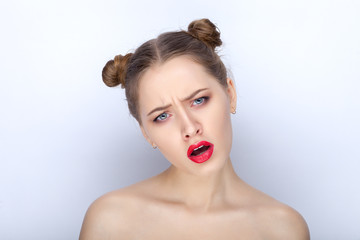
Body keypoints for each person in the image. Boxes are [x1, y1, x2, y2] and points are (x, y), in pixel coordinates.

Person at [79, 18, 310, 239]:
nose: (189, 128)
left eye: (198, 100)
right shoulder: (110, 220)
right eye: (162, 116)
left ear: (230, 94)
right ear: (146, 133)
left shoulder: (284, 228)